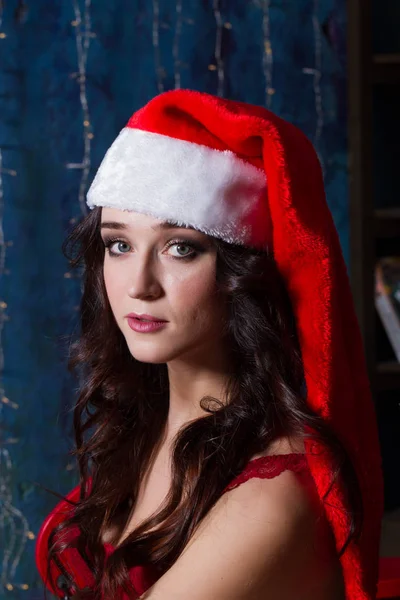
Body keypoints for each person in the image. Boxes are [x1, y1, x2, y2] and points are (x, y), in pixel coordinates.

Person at [35, 89, 384, 600]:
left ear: (242, 271)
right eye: (119, 244)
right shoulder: (143, 432)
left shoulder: (270, 496)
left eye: (181, 248)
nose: (139, 284)